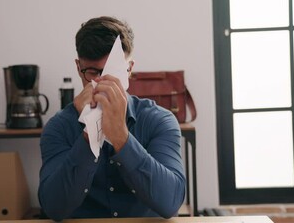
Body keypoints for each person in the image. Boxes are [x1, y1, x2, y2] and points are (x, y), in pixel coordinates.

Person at [38, 16, 185, 221]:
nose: (101, 83)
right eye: (92, 72)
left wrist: (121, 137)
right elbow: (54, 208)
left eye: (111, 73)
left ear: (129, 69)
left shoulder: (159, 121)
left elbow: (170, 203)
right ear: (78, 67)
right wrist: (90, 135)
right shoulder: (59, 126)